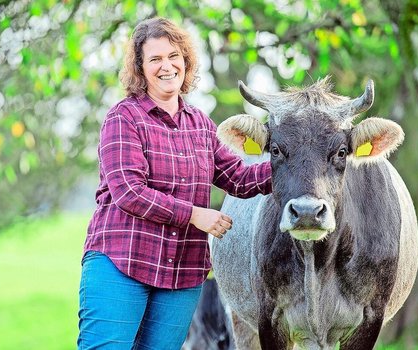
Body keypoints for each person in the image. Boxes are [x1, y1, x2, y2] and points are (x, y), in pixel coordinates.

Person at [77, 17, 272, 350]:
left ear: (185, 62)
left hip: (181, 272)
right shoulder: (123, 118)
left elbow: (239, 177)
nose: (166, 66)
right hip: (122, 262)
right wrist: (196, 215)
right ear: (140, 68)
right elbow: (129, 192)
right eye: (155, 59)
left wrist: (299, 163)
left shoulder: (201, 125)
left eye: (173, 56)